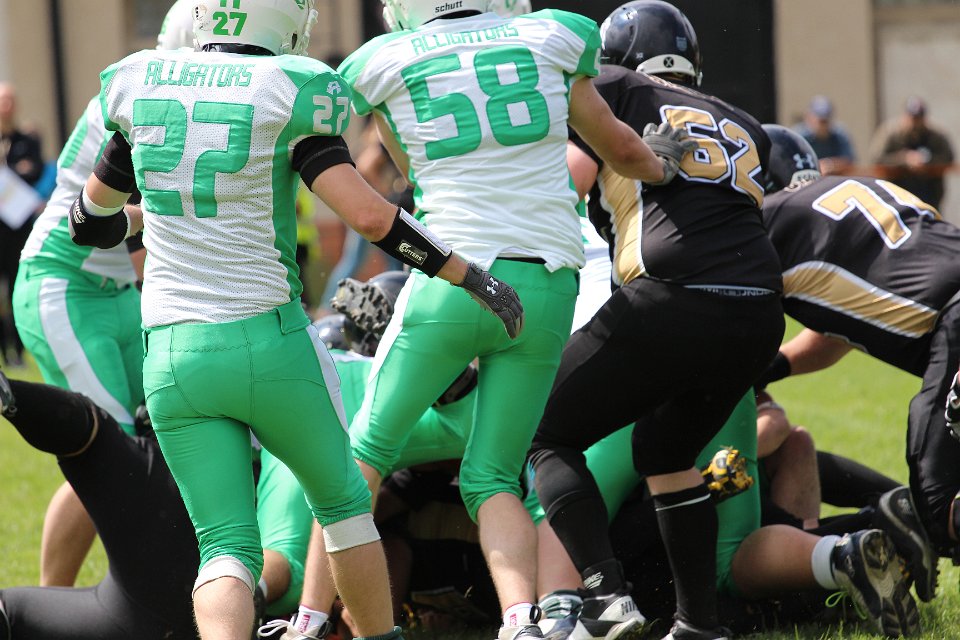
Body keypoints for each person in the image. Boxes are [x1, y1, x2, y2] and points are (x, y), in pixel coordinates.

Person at [71, 1, 525, 638]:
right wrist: (468, 275)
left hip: (173, 352)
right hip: (269, 339)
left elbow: (89, 224)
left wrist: (156, 217)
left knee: (224, 545)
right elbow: (369, 217)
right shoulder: (289, 89)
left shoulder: (143, 82)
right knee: (344, 508)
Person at [335, 3, 692, 640]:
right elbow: (616, 146)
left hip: (454, 274)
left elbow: (405, 173)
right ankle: (521, 620)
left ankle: (320, 620)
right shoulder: (551, 34)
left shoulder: (384, 60)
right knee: (494, 476)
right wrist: (663, 168)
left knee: (361, 456)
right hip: (548, 283)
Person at [526, 2, 787, 639]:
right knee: (664, 450)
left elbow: (570, 176)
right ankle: (698, 626)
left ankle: (604, 596)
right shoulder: (747, 124)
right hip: (759, 309)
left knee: (543, 430)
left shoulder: (613, 86)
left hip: (674, 293)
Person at [10, 0, 194, 588]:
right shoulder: (146, 98)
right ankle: (50, 601)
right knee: (106, 446)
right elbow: (121, 222)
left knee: (168, 427)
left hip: (117, 289)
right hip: (63, 283)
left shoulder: (174, 92)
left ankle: (169, 582)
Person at [757, 123, 960, 606]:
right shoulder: (859, 190)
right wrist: (774, 369)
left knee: (938, 505)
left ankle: (888, 527)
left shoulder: (765, 222)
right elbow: (839, 332)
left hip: (955, 319)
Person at [0, 370, 315, 640]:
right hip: (216, 609)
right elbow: (283, 557)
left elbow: (85, 433)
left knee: (94, 437)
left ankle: (11, 396)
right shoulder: (283, 440)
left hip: (146, 600)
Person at [0, 82, 45, 368]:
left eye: (10, 100)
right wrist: (20, 170)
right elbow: (24, 171)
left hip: (18, 226)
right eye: (2, 100)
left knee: (17, 286)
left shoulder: (27, 139)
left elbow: (35, 171)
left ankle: (17, 351)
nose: (7, 105)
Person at [868, 95, 955, 209]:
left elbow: (948, 157)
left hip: (929, 193)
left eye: (918, 118)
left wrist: (926, 161)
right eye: (912, 118)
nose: (915, 123)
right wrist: (904, 159)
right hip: (897, 193)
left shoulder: (936, 135)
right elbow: (877, 158)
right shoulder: (890, 133)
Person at [794, 95, 856, 176]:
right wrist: (818, 166)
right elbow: (792, 163)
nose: (823, 125)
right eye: (821, 121)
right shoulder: (799, 137)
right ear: (809, 117)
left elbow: (850, 161)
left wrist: (830, 164)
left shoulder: (840, 135)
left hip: (833, 178)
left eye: (826, 121)